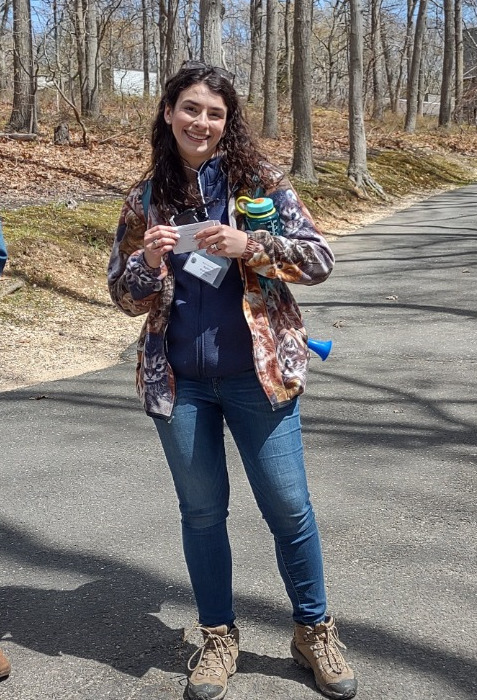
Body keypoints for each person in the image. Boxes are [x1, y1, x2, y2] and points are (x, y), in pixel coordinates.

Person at [108, 61, 358, 700]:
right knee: (201, 514)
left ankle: (313, 631)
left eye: (215, 113)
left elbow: (319, 260)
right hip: (180, 385)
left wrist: (251, 247)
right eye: (190, 108)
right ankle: (218, 637)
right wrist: (148, 262)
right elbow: (123, 295)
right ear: (169, 113)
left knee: (289, 508)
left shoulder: (262, 183)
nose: (202, 122)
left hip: (258, 377)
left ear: (228, 121)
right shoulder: (145, 198)